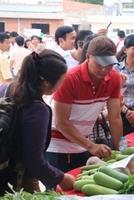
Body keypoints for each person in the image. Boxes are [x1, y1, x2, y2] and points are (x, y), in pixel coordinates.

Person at [1, 49, 74, 194]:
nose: (62, 85)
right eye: (61, 81)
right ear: (46, 83)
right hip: (11, 179)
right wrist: (61, 178)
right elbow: (33, 160)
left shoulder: (5, 88)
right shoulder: (37, 110)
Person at [46, 36, 123, 172]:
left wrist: (119, 151)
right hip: (57, 144)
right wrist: (91, 146)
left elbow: (115, 118)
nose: (104, 70)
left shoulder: (114, 78)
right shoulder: (70, 78)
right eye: (99, 64)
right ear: (88, 56)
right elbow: (61, 123)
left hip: (82, 143)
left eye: (109, 64)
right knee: (59, 190)